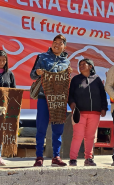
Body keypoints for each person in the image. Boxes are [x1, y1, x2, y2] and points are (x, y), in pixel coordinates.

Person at [30, 34, 70, 167]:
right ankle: (39, 157)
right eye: (55, 42)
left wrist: (68, 72)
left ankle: (56, 157)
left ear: (64, 47)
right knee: (41, 127)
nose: (57, 44)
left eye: (60, 43)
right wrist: (38, 72)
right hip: (43, 96)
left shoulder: (66, 62)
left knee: (58, 128)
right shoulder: (42, 57)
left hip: (59, 99)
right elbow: (32, 74)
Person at [68, 59, 108, 166]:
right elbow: (70, 95)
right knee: (78, 136)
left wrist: (104, 108)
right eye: (79, 65)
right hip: (79, 113)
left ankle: (88, 159)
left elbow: (103, 95)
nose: (80, 66)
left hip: (95, 113)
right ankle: (73, 159)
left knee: (90, 137)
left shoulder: (97, 79)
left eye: (83, 64)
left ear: (90, 66)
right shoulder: (76, 79)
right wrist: (72, 105)